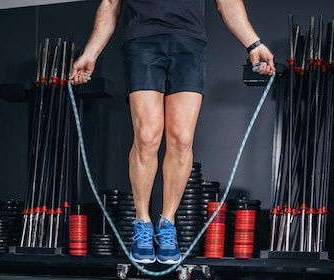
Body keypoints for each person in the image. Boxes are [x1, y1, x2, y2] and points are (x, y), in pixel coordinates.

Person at [71, 0, 274, 264]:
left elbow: (227, 2)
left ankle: (167, 224)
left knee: (181, 139)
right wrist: (91, 52)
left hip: (188, 43)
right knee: (146, 136)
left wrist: (254, 44)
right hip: (142, 40)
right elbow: (111, 3)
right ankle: (142, 223)